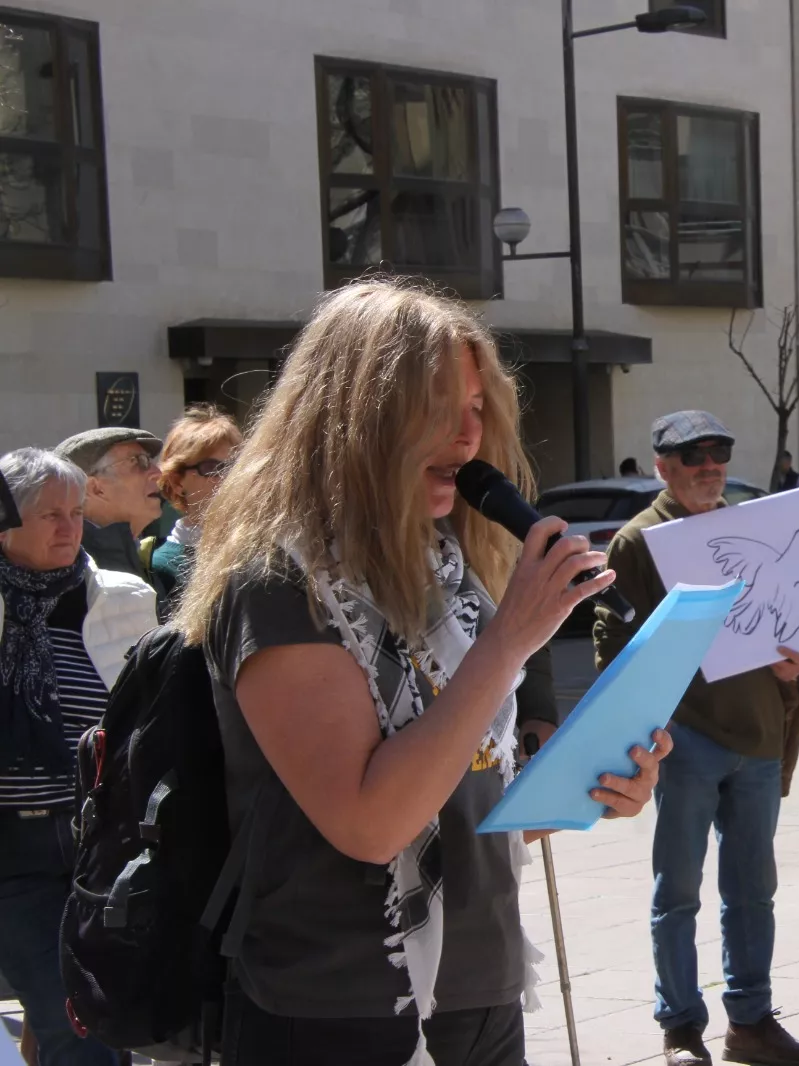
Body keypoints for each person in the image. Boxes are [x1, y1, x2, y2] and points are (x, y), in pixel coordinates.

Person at [172, 281, 669, 1066]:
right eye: (442, 408)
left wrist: (593, 786)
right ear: (358, 413)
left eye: (480, 409)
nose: (470, 438)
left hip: (479, 987)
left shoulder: (451, 570)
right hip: (333, 1006)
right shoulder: (275, 587)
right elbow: (372, 825)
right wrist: (507, 643)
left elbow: (465, 789)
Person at [594, 410, 799, 1066]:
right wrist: (640, 730)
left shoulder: (749, 525)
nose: (708, 467)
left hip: (755, 735)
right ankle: (680, 1029)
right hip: (685, 739)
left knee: (753, 891)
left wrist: (792, 663)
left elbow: (781, 618)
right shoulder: (639, 541)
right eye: (692, 457)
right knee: (679, 891)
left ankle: (751, 1021)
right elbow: (611, 642)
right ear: (662, 467)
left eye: (717, 454)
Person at [1, 447, 157, 1066]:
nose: (69, 528)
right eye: (48, 516)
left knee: (106, 1012)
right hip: (16, 852)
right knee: (67, 1021)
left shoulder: (125, 599)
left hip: (103, 842)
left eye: (74, 513)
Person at [151, 405, 242, 613]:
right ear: (176, 481)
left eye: (235, 466)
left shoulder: (267, 551)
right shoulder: (160, 565)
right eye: (212, 468)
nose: (228, 477)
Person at [54, 427, 164, 584]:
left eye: (149, 460)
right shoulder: (71, 571)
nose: (157, 473)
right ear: (95, 488)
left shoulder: (143, 557)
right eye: (138, 461)